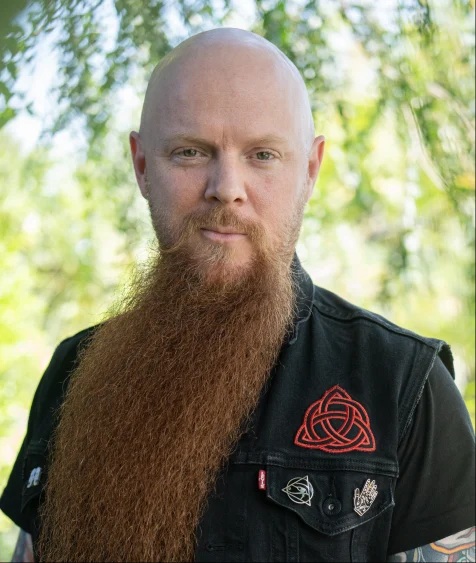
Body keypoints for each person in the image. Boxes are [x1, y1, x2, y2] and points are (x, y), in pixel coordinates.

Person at [1, 27, 474, 563]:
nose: (226, 186)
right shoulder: (74, 373)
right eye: (190, 152)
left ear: (310, 170)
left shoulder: (403, 387)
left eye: (263, 155)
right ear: (141, 166)